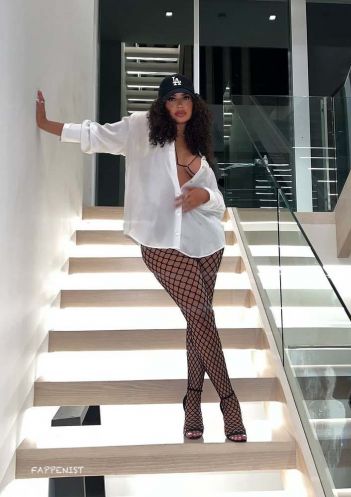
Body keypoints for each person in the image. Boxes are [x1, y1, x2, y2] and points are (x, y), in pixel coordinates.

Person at [36, 74, 247, 442]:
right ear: (161, 105)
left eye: (185, 98)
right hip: (160, 242)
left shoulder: (199, 144)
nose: (179, 105)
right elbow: (95, 135)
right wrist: (47, 124)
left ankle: (192, 401)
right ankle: (229, 402)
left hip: (207, 242)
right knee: (200, 315)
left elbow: (217, 203)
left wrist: (204, 197)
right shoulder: (140, 130)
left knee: (197, 320)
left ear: (194, 105)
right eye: (171, 99)